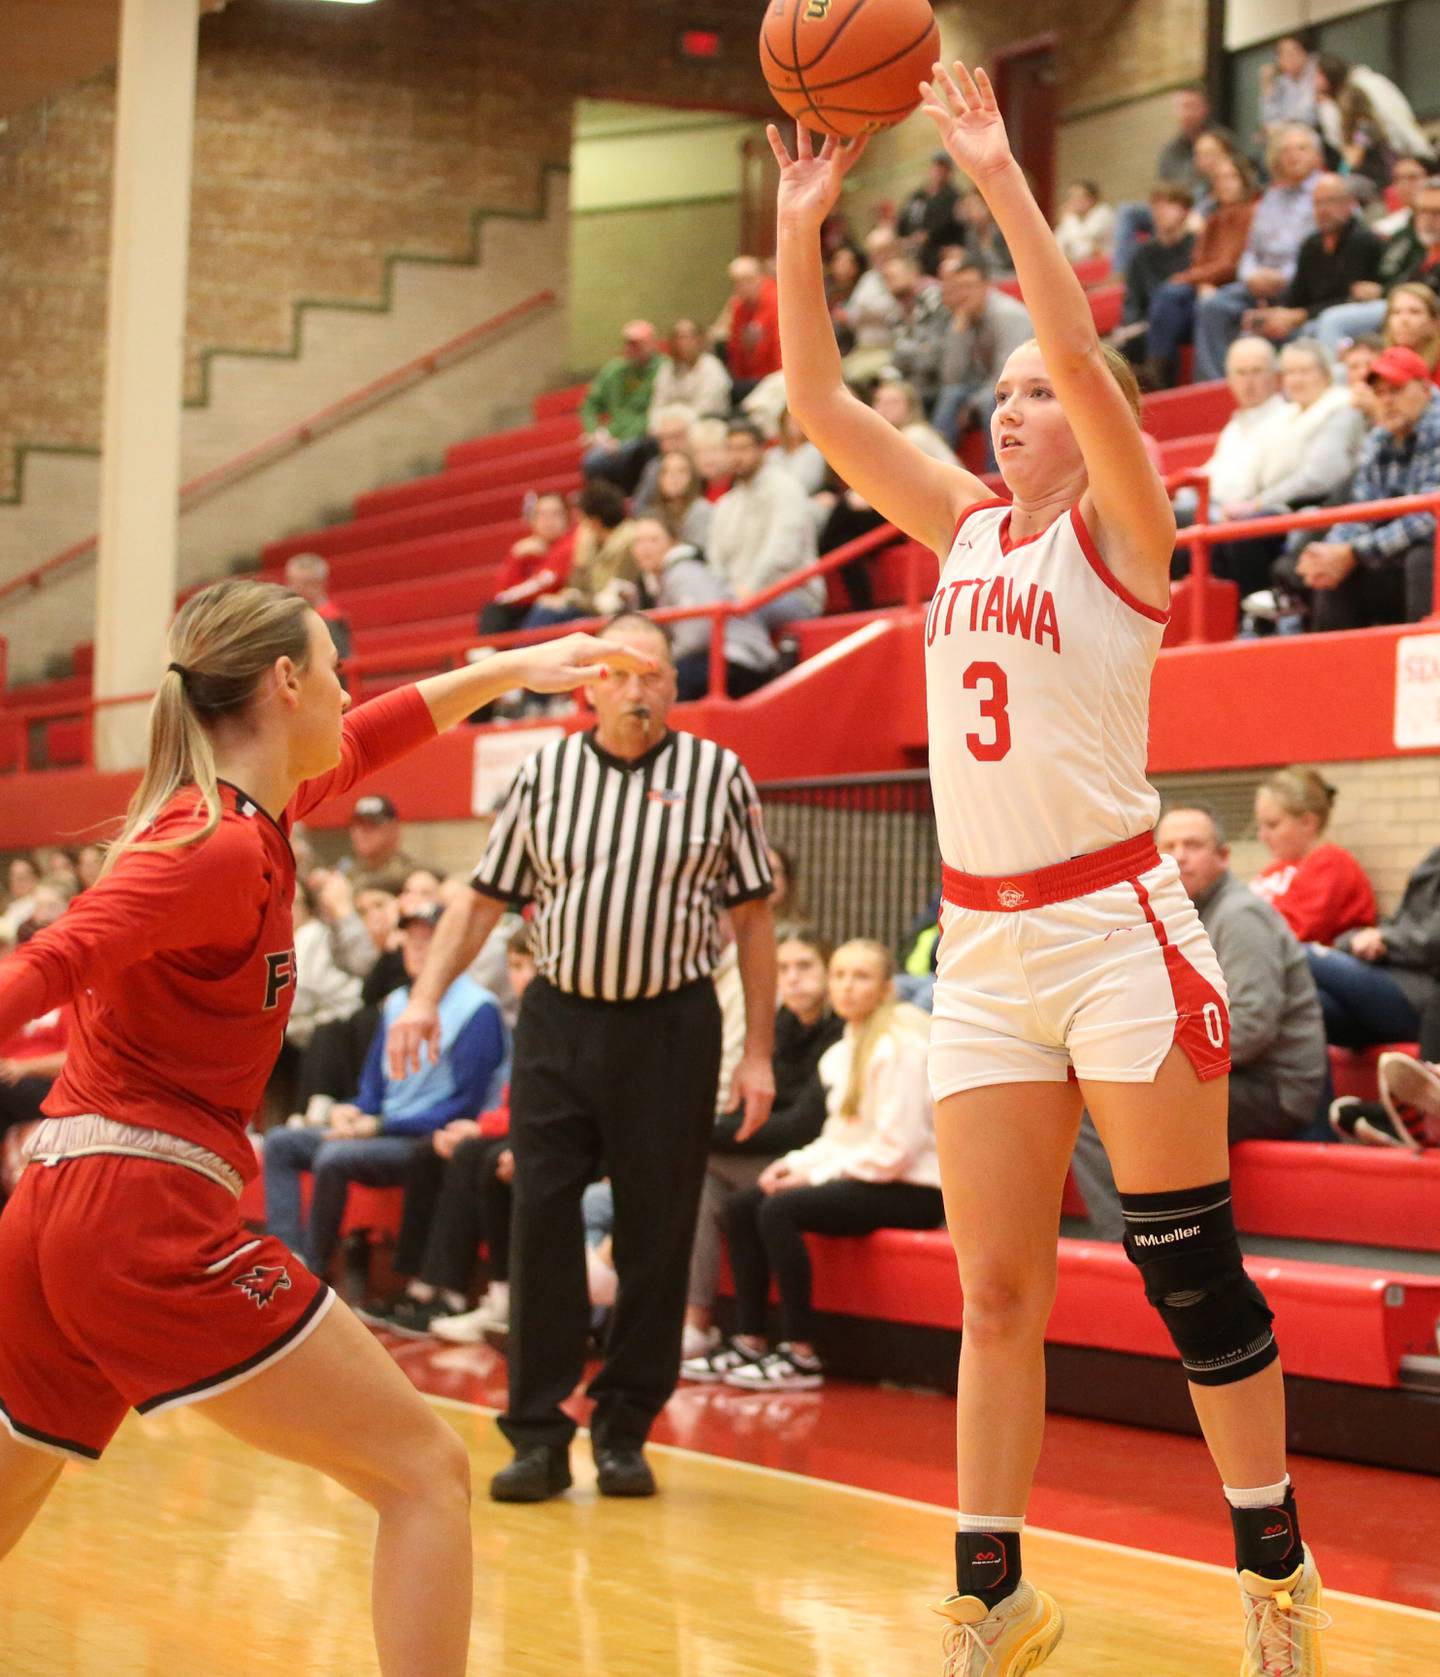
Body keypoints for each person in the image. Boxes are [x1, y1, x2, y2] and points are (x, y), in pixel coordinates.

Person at [767, 55, 1326, 1675]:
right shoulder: (960, 531)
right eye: (996, 394)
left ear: (1088, 429)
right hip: (986, 951)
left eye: (1035, 396)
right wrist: (807, 227)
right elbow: (818, 404)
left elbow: (1080, 347)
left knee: (1188, 1274)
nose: (1014, 405)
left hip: (1121, 933)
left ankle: (1274, 1577)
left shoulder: (1128, 529)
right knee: (995, 1294)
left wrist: (1000, 173)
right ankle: (991, 1596)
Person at [0, 577, 660, 1676]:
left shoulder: (250, 814)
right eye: (336, 668)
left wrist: (511, 671)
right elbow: (50, 963)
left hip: (54, 1208)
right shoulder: (204, 847)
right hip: (137, 1215)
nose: (351, 690)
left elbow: (378, 733)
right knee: (425, 1474)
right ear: (285, 680)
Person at [387, 612, 777, 1505]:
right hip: (561, 1022)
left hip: (672, 1027)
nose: (638, 689)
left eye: (655, 675)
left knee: (656, 1229)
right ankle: (535, 1433)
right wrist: (422, 995)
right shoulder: (544, 774)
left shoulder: (720, 777)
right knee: (540, 1216)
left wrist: (757, 1052)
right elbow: (482, 901)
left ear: (675, 688)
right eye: (622, 674)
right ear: (590, 684)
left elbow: (754, 921)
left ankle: (624, 1425)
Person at [1071, 805, 1327, 1237]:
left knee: (1099, 1109)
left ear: (1224, 856)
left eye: (1193, 845)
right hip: (1221, 1073)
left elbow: (1250, 1029)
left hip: (1272, 1086)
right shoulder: (1174, 918)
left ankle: (1132, 1247)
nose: (1178, 856)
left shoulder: (1240, 916)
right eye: (1167, 847)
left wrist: (1160, 1065)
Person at [708, 940, 943, 1391]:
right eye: (839, 976)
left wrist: (812, 1177)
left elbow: (896, 1151)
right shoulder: (841, 1051)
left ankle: (800, 1352)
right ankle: (749, 1339)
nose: (847, 987)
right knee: (742, 1206)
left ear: (887, 987)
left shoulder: (901, 1046)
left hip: (911, 1189)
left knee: (780, 1210)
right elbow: (836, 1137)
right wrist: (791, 1165)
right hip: (866, 1176)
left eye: (861, 977)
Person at [262, 902, 509, 1279]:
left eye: (429, 941)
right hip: (382, 1128)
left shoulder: (478, 1009)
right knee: (280, 1142)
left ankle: (310, 1275)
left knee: (333, 1156)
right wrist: (354, 1111)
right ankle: (287, 1257)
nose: (416, 948)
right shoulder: (396, 1002)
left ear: (451, 949)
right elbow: (373, 1090)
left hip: (426, 1140)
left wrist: (377, 1125)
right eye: (411, 939)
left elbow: (463, 1106)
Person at [680, 929, 844, 1368]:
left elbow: (800, 1126)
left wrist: (696, 1132)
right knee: (700, 1180)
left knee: (696, 1161)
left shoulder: (841, 1034)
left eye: (805, 967)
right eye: (783, 969)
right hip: (775, 1156)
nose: (793, 979)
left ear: (828, 973)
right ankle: (697, 1324)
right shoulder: (776, 1029)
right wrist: (702, 1130)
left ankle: (619, 1274)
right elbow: (745, 1108)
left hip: (820, 1160)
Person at [369, 926, 538, 1339]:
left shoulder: (493, 1011)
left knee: (472, 1155)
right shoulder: (530, 1018)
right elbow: (517, 1098)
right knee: (430, 1152)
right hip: (512, 1124)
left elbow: (545, 1104)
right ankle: (419, 1287)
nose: (520, 977)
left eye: (527, 965)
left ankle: (459, 1294)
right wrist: (481, 1125)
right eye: (513, 967)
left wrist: (480, 1127)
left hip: (546, 1133)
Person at [1288, 344, 1440, 631]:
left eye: (1395, 390)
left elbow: (1429, 518)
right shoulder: (1379, 438)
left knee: (1426, 558)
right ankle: (1333, 668)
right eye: (1379, 394)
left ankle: (1425, 656)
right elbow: (1361, 510)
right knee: (1336, 573)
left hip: (1427, 553)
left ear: (1424, 388)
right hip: (1396, 555)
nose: (1387, 401)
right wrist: (1334, 552)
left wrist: (1354, 551)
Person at [1210, 339, 1365, 599]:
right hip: (1279, 503)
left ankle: (1266, 607)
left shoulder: (1339, 409)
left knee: (1246, 531)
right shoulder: (1290, 415)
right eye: (1291, 373)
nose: (1297, 380)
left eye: (1305, 371)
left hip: (1319, 504)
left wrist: (1258, 503)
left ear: (1326, 374)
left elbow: (1318, 478)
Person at [1194, 125, 1323, 381]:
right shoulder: (1270, 198)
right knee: (1212, 305)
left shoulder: (1327, 191)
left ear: (1317, 156)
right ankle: (1218, 383)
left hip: (1300, 283)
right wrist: (1250, 276)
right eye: (1285, 150)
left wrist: (1281, 278)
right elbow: (1251, 250)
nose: (1292, 155)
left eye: (1301, 148)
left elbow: (1322, 252)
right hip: (1257, 284)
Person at [1306, 842, 1440, 1055]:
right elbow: (1402, 924)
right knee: (1303, 1008)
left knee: (1301, 955)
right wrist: (1358, 941)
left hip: (1422, 995)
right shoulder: (1435, 858)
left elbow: (1429, 941)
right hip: (1396, 975)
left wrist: (1385, 940)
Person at [630, 517, 777, 701]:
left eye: (653, 540)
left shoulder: (685, 572)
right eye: (638, 542)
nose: (645, 548)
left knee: (664, 682)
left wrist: (660, 661)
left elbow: (696, 635)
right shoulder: (653, 583)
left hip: (740, 658)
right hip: (716, 656)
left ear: (673, 542)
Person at [1143, 152, 1258, 387]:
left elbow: (1232, 264)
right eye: (1220, 179)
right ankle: (1159, 372)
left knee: (1172, 292)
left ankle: (1184, 377)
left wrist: (1190, 279)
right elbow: (1199, 260)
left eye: (1231, 177)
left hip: (1235, 286)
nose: (1224, 184)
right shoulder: (1214, 219)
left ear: (1243, 181)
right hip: (1207, 284)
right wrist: (1198, 280)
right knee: (1168, 299)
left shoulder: (1251, 213)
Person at [707, 419, 823, 633]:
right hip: (738, 598)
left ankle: (753, 666)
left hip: (790, 594)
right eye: (731, 449)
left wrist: (749, 591)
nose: (737, 456)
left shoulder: (786, 488)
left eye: (743, 448)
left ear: (762, 450)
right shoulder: (726, 503)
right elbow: (715, 561)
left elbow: (782, 553)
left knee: (739, 620)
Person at [1239, 175, 1382, 348]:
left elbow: (1351, 298)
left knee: (1312, 331)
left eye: (1330, 201)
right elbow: (1297, 294)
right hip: (1306, 317)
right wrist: (1277, 314)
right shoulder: (1311, 244)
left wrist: (1300, 315)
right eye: (1317, 203)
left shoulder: (1363, 240)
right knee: (1253, 331)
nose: (1322, 210)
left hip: (1341, 322)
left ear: (1349, 204)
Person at [1111, 86, 1231, 280]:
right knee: (1128, 211)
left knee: (1199, 194)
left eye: (1192, 106)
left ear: (1204, 108)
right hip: (1176, 203)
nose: (1187, 113)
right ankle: (1121, 274)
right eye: (1182, 107)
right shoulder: (1170, 151)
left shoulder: (1221, 138)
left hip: (1203, 204)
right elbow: (1163, 189)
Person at [1313, 174, 1440, 356]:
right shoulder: (1421, 250)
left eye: (1437, 212)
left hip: (1418, 311)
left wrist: (1384, 294)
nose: (1428, 219)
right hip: (1398, 306)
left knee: (1332, 321)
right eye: (1423, 211)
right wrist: (1381, 291)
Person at [1251, 768, 1376, 946]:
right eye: (1260, 826)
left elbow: (1296, 934)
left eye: (1272, 825)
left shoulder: (1332, 863)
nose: (1262, 836)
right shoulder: (1274, 869)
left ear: (1307, 822)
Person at [1171, 337, 1284, 529]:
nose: (1248, 382)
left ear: (1275, 376)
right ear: (1230, 380)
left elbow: (1250, 487)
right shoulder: (1236, 425)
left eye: (1256, 372)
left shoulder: (1286, 418)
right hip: (1214, 508)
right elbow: (1212, 472)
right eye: (1240, 373)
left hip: (1246, 514)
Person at [931, 256, 1034, 450]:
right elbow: (951, 378)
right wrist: (957, 331)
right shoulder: (965, 318)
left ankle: (996, 472)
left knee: (990, 402)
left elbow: (1008, 375)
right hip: (986, 385)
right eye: (958, 288)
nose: (963, 294)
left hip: (1027, 384)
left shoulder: (1007, 315)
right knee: (951, 395)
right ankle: (937, 461)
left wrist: (972, 404)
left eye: (969, 286)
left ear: (986, 285)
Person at [524, 479, 638, 629]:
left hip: (613, 612)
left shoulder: (632, 543)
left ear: (595, 521)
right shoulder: (588, 541)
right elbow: (576, 581)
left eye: (582, 519)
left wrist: (572, 599)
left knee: (548, 613)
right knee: (545, 607)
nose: (580, 524)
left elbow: (610, 601)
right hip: (591, 606)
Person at [1113, 183, 1195, 367]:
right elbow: (1132, 301)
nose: (1161, 211)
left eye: (1169, 204)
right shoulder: (1141, 253)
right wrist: (1133, 324)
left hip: (1186, 320)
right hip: (1146, 325)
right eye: (1156, 205)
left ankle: (1157, 371)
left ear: (1185, 211)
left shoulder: (1197, 246)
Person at [477, 491, 576, 638]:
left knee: (540, 610)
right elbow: (500, 593)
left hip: (562, 609)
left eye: (555, 514)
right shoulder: (527, 548)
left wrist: (510, 597)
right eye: (542, 515)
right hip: (531, 608)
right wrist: (516, 557)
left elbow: (546, 582)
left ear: (567, 518)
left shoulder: (571, 543)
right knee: (494, 611)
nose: (548, 521)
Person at [578, 319, 662, 491]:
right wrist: (595, 433)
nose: (632, 349)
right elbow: (589, 405)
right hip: (613, 439)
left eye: (638, 344)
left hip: (646, 437)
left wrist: (623, 440)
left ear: (652, 344)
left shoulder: (663, 369)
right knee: (592, 461)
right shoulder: (614, 371)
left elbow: (662, 409)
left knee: (640, 450)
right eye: (629, 344)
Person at [647, 318, 731, 424]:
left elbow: (705, 409)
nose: (682, 342)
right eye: (677, 337)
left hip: (704, 427)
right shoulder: (667, 368)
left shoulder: (712, 367)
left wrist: (675, 419)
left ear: (700, 340)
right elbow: (656, 406)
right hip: (667, 429)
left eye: (687, 337)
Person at [722, 256, 783, 401]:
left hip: (774, 378)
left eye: (743, 282)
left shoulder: (777, 302)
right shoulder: (738, 307)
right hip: (749, 380)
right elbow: (735, 348)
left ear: (757, 278)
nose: (738, 288)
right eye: (735, 283)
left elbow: (780, 346)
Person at [900, 153, 967, 274]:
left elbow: (950, 222)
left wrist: (928, 235)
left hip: (941, 251)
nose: (939, 172)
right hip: (915, 251)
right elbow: (904, 217)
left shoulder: (953, 196)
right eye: (936, 167)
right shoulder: (918, 196)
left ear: (949, 172)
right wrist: (905, 238)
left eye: (943, 169)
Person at [343, 792, 421, 895]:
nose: (361, 833)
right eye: (358, 825)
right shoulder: (345, 873)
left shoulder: (411, 876)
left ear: (393, 829)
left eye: (371, 825)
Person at [284, 553, 352, 665]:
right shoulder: (293, 615)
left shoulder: (331, 620)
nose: (293, 589)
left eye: (302, 584)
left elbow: (338, 663)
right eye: (291, 582)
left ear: (320, 584)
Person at [1258, 35, 1319, 136]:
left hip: (1315, 134)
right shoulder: (1282, 82)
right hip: (1288, 134)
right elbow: (1268, 119)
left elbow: (1308, 116)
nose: (1289, 58)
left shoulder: (1317, 71)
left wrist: (1281, 125)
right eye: (1283, 54)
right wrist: (1266, 85)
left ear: (1305, 53)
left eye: (1293, 52)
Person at [1382, 282, 1440, 379]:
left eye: (1414, 312)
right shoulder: (1378, 363)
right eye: (1396, 312)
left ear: (1434, 322)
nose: (1404, 320)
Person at [1053, 179, 1116, 267]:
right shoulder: (1076, 219)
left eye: (1077, 197)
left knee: (1082, 245)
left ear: (1091, 199)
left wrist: (1069, 217)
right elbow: (1057, 244)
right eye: (1070, 197)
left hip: (1105, 263)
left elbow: (1084, 237)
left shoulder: (1103, 212)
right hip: (1080, 265)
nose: (1072, 202)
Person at [3, 856, 39, 940]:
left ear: (35, 878)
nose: (15, 882)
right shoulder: (13, 905)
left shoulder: (39, 905)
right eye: (12, 878)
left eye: (21, 878)